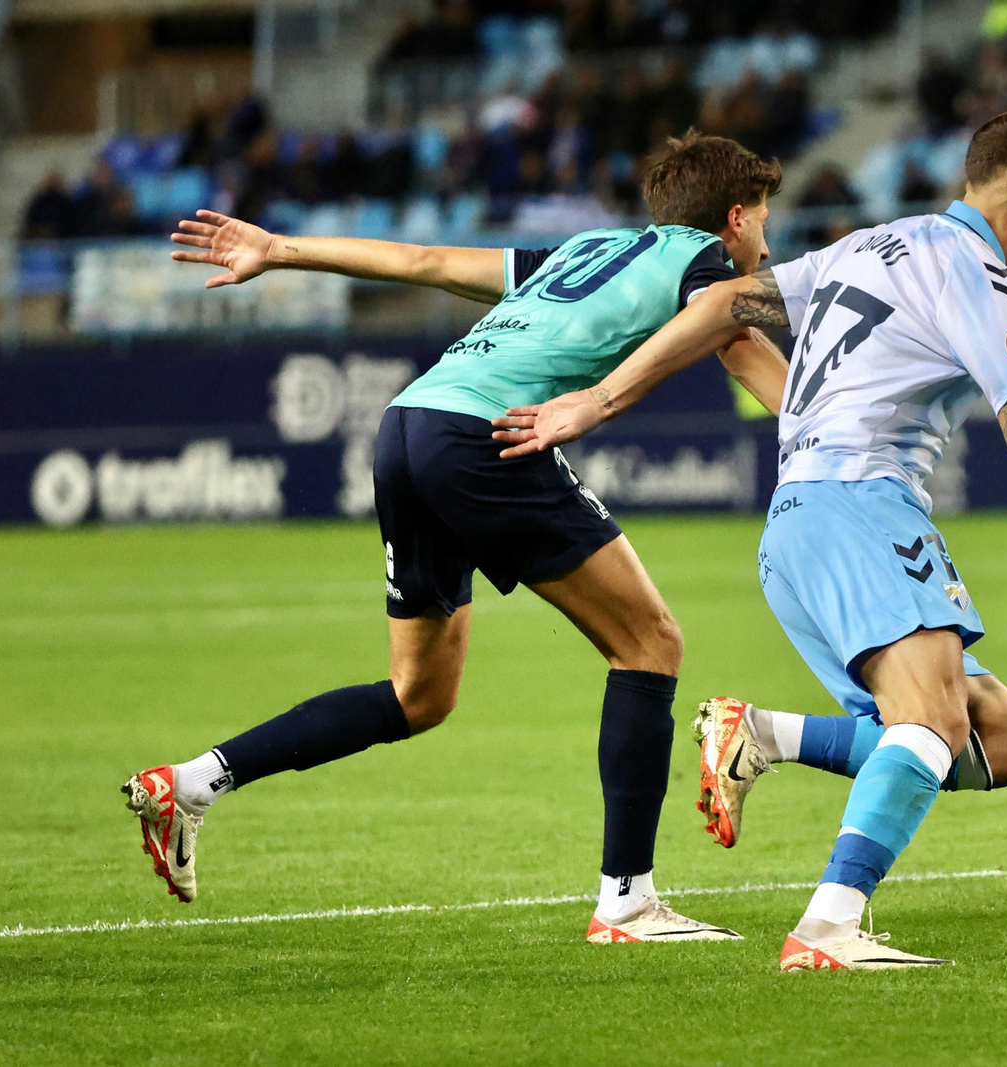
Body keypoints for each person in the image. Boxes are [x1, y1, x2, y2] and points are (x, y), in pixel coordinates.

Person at [492, 108, 1007, 970]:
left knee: (1002, 740)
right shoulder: (978, 275)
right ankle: (828, 929)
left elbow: (723, 303)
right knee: (933, 720)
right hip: (860, 505)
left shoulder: (869, 245)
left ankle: (760, 732)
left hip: (797, 523)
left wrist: (601, 397)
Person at [123, 131, 791, 944]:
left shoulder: (584, 250)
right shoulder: (705, 264)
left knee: (419, 695)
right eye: (762, 222)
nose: (765, 244)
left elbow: (426, 260)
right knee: (650, 643)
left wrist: (281, 248)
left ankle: (194, 782)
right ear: (733, 218)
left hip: (407, 424)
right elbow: (737, 336)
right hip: (486, 435)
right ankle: (627, 901)